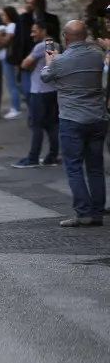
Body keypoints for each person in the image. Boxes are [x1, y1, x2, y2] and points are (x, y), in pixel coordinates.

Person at [41, 20, 107, 227]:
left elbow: (46, 77)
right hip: (97, 117)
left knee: (74, 167)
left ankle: (83, 212)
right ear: (85, 36)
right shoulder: (97, 56)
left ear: (65, 37)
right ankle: (97, 213)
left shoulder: (61, 60)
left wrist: (49, 62)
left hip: (72, 118)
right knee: (96, 167)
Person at [12, 22, 60, 169]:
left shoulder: (42, 46)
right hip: (51, 90)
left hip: (40, 91)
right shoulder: (54, 44)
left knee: (37, 125)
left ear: (43, 31)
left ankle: (33, 157)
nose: (31, 34)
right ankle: (52, 155)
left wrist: (30, 64)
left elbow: (25, 64)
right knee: (52, 125)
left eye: (34, 31)